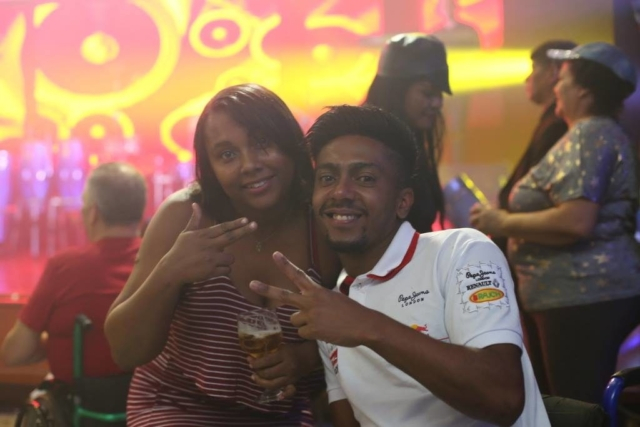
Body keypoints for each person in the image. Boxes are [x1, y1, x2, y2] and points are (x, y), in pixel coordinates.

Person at [250, 105, 549, 426]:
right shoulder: (331, 306)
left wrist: (367, 325)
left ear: (402, 202)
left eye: (365, 178)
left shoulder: (460, 252)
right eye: (327, 178)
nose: (340, 192)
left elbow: (503, 397)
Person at [104, 84, 340, 426]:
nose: (250, 164)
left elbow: (373, 326)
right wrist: (170, 271)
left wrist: (307, 358)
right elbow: (124, 352)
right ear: (210, 167)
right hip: (177, 405)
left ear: (290, 143)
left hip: (283, 413)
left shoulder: (323, 223)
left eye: (262, 143)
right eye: (227, 155)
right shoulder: (185, 215)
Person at [470, 42, 640, 403]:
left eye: (562, 80)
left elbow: (576, 221)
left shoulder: (590, 134)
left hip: (582, 295)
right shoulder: (593, 132)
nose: (556, 87)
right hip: (575, 296)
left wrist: (502, 221)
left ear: (584, 91)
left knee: (577, 406)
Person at [1, 161, 146, 383]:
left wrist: (57, 342)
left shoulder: (64, 267)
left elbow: (15, 353)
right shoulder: (161, 261)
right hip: (152, 400)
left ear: (93, 213)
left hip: (79, 402)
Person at [494, 39, 576, 393]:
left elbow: (573, 216)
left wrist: (500, 221)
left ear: (556, 71)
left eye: (534, 69)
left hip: (561, 280)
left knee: (565, 388)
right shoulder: (553, 122)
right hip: (544, 278)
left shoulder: (565, 127)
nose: (528, 79)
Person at [364, 33, 449, 229]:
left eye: (440, 94)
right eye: (427, 93)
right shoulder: (364, 147)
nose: (438, 103)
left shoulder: (410, 144)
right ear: (396, 92)